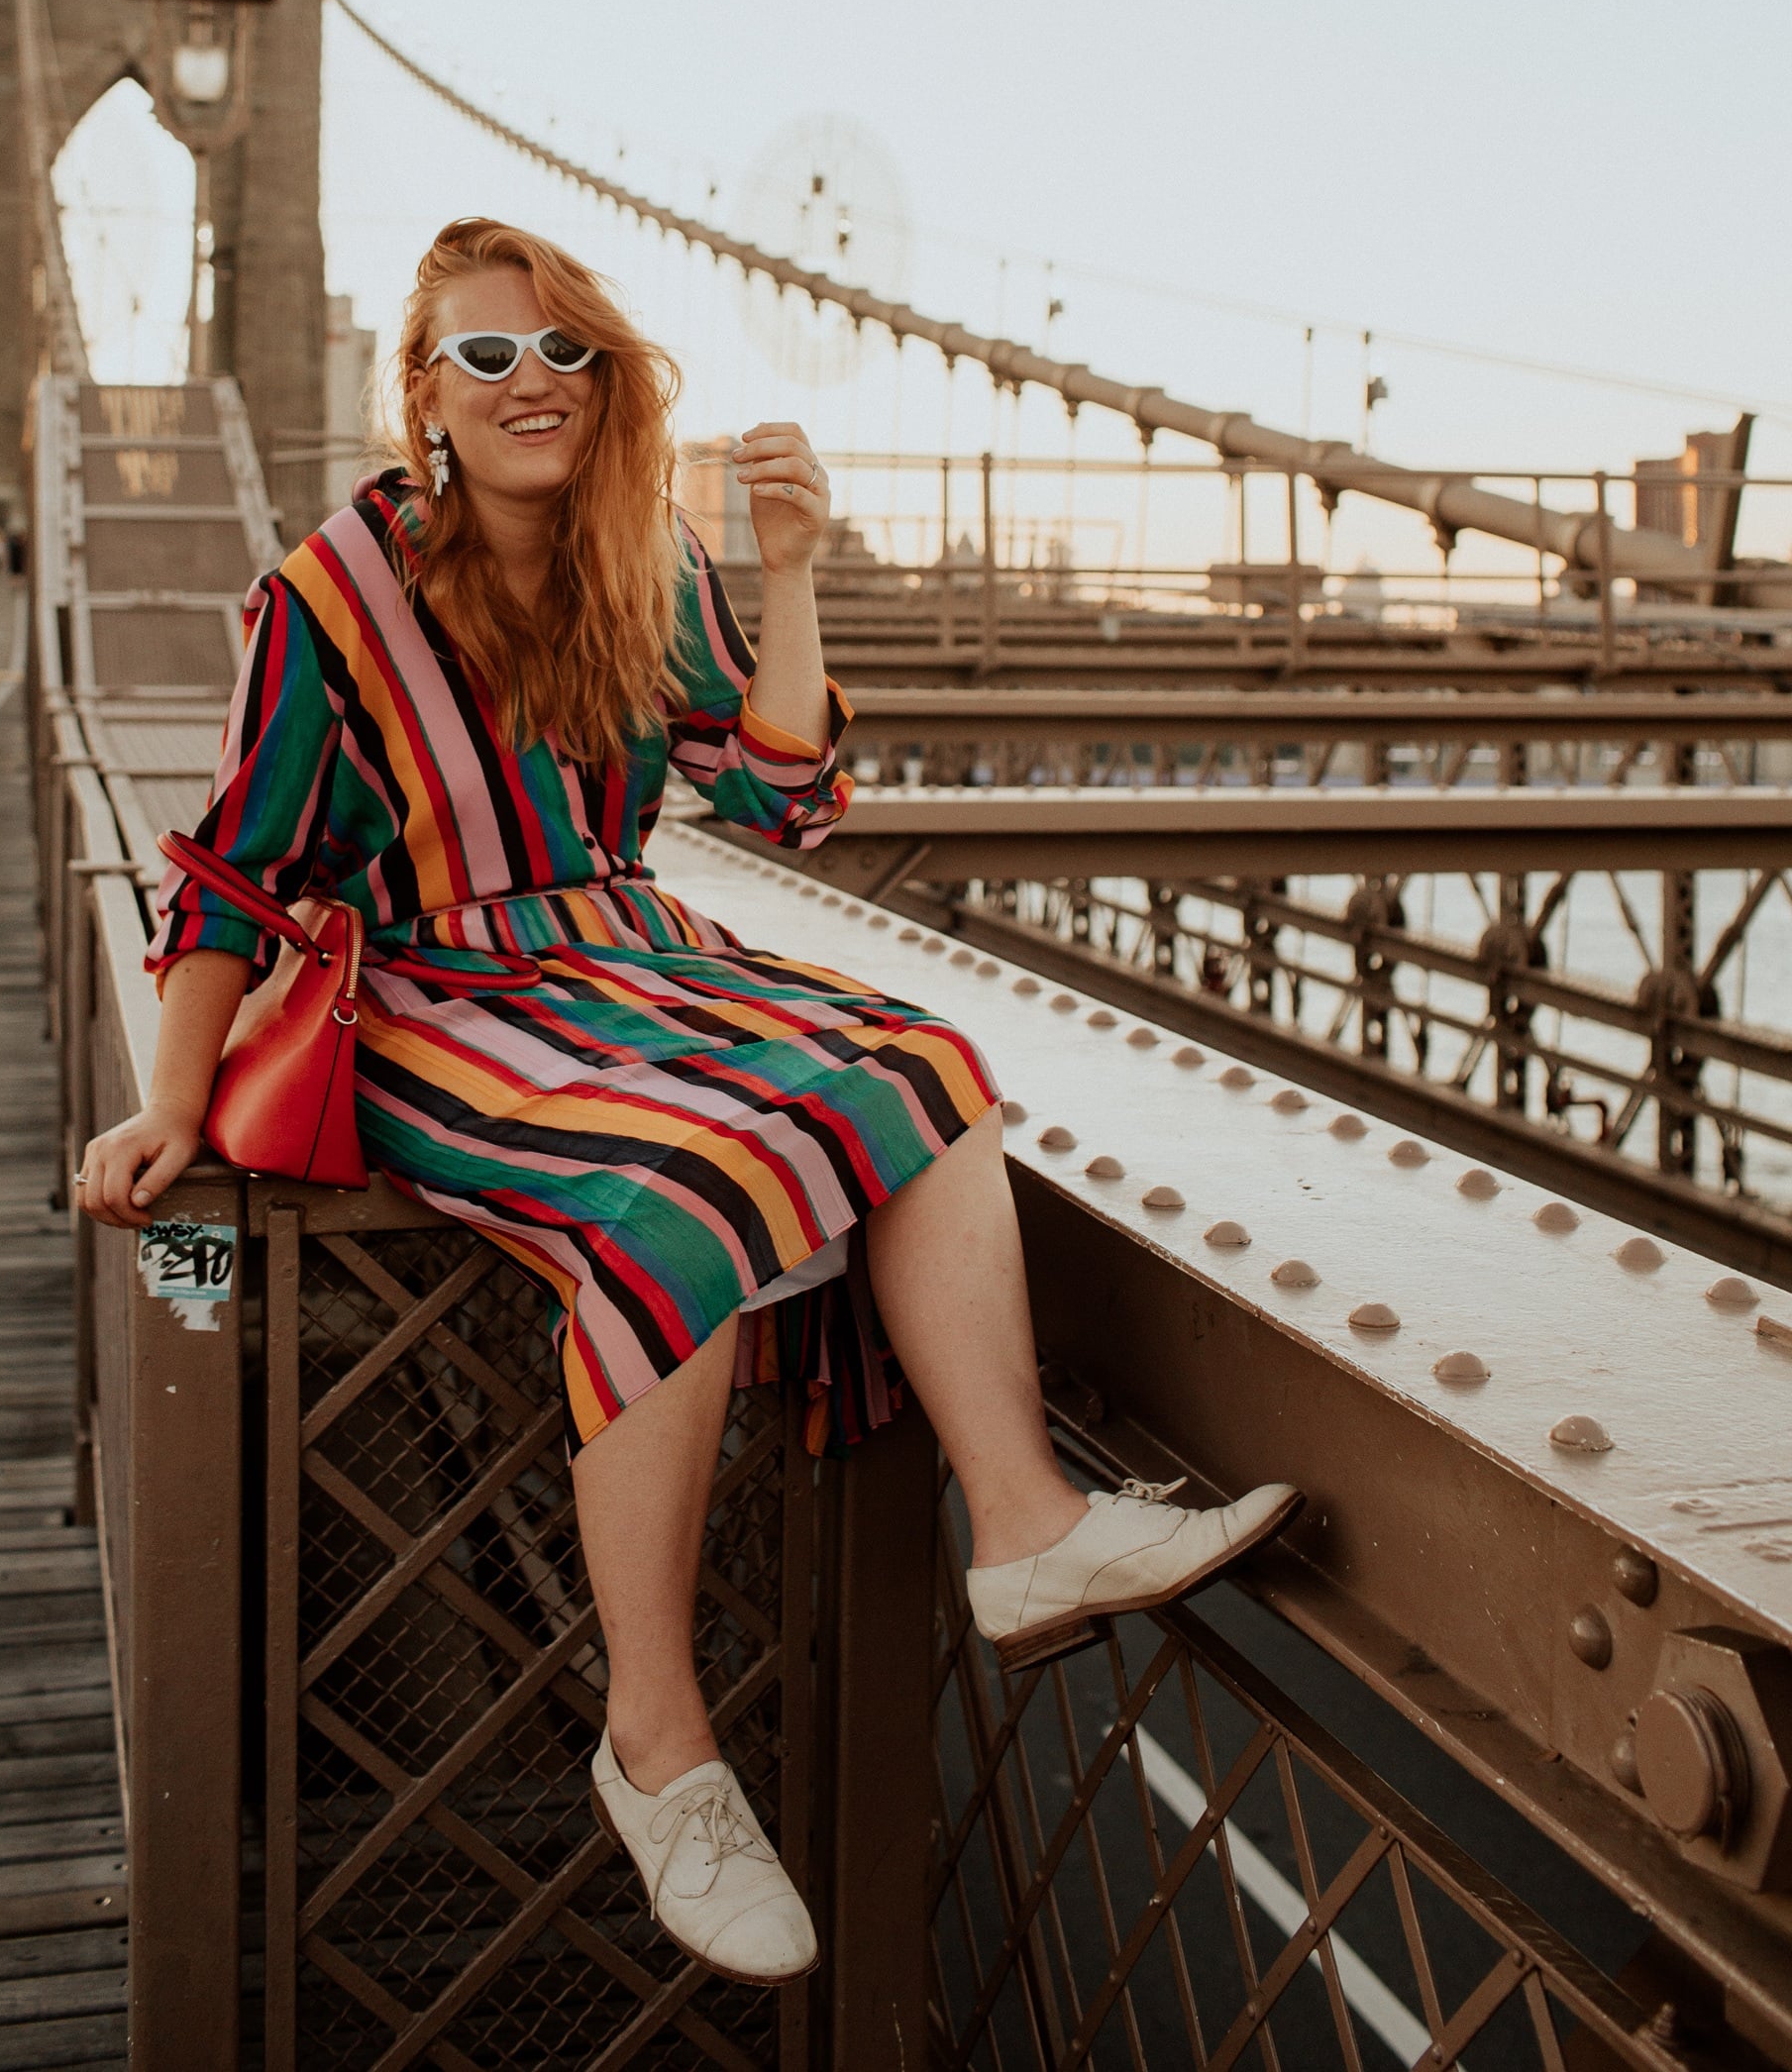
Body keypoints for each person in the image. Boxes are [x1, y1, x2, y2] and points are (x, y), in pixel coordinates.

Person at [78, 218, 1298, 1988]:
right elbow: (236, 877)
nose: (529, 386)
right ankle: (660, 1743)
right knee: (683, 1195)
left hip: (634, 955)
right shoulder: (326, 599)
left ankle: (1026, 1528)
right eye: (485, 358)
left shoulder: (641, 563)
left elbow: (788, 800)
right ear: (423, 391)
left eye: (563, 352)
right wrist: (176, 1103)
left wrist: (786, 567)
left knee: (924, 1069)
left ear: (605, 380)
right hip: (441, 988)